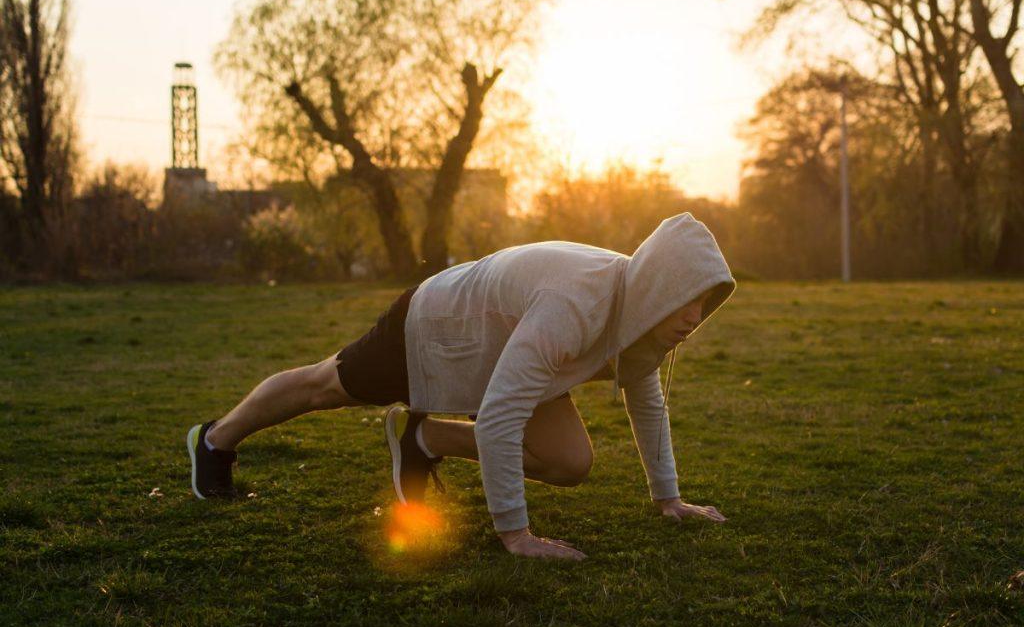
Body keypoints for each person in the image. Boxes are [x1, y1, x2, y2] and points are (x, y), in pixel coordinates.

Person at [186, 212, 736, 561]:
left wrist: (670, 498)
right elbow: (500, 419)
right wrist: (515, 536)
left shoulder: (646, 315)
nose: (693, 315)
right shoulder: (576, 304)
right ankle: (215, 439)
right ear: (657, 284)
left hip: (511, 340)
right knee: (325, 386)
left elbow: (646, 397)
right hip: (436, 322)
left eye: (704, 299)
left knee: (569, 462)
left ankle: (423, 440)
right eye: (684, 296)